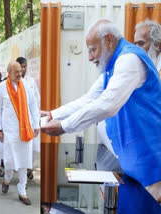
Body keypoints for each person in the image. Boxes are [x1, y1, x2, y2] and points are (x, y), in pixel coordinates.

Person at [41, 19, 161, 210]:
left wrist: (64, 126)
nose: (89, 57)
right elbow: (89, 99)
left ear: (109, 40)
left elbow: (107, 106)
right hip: (132, 164)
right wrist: (52, 114)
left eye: (93, 49)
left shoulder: (129, 60)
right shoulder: (112, 66)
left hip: (150, 165)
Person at [0, 61, 39, 205]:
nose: (20, 74)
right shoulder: (2, 87)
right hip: (9, 131)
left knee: (24, 160)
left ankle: (22, 190)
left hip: (25, 129)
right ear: (9, 73)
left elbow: (33, 105)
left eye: (20, 71)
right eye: (16, 72)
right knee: (8, 160)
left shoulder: (26, 85)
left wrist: (36, 123)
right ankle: (7, 179)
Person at [16, 57, 40, 180]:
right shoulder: (12, 83)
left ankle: (29, 168)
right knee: (21, 147)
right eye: (21, 66)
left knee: (34, 147)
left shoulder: (31, 81)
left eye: (25, 66)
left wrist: (37, 118)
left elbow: (36, 100)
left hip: (30, 120)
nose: (23, 69)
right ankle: (24, 170)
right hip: (17, 121)